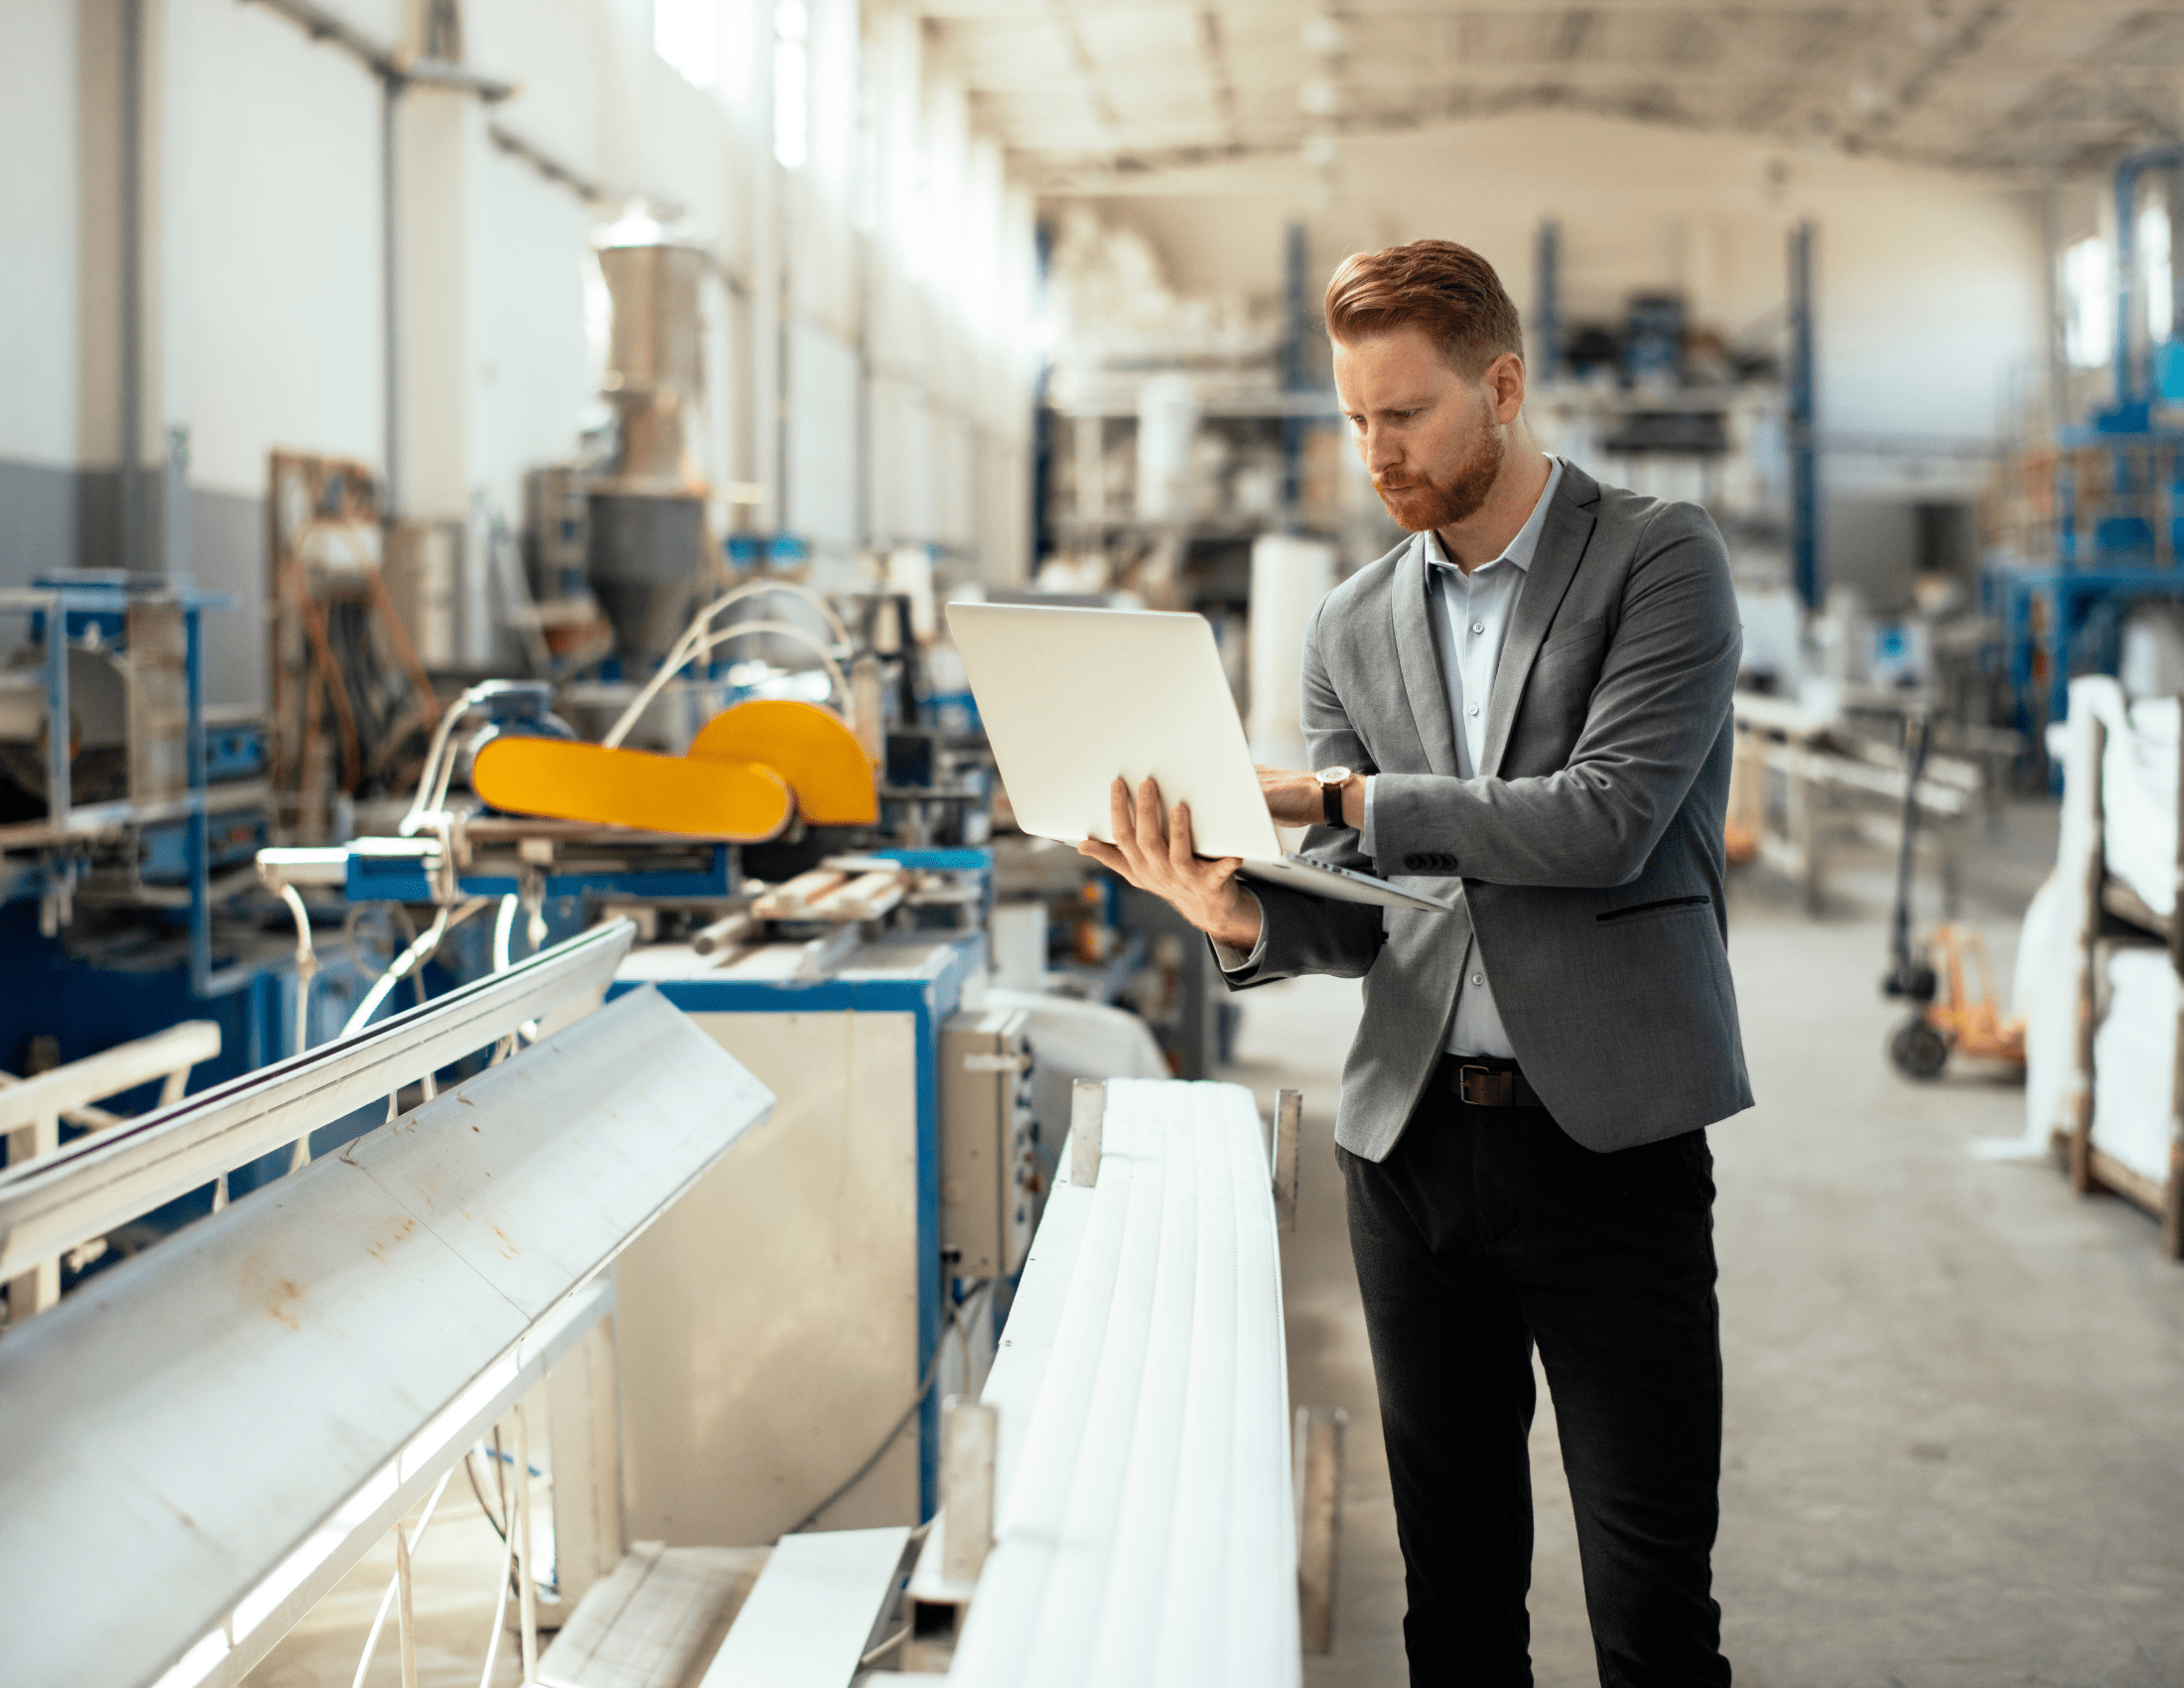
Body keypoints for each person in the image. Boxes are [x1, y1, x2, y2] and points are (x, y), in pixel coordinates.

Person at [1076, 238, 1749, 1686]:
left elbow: (1608, 822)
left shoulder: (1658, 558)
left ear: (1500, 388)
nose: (1374, 452)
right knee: (1452, 1608)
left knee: (1649, 1610)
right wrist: (1227, 907)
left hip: (1612, 1146)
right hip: (1410, 1156)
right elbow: (1369, 903)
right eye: (1355, 418)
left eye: (1407, 414)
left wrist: (1329, 796)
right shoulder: (1351, 622)